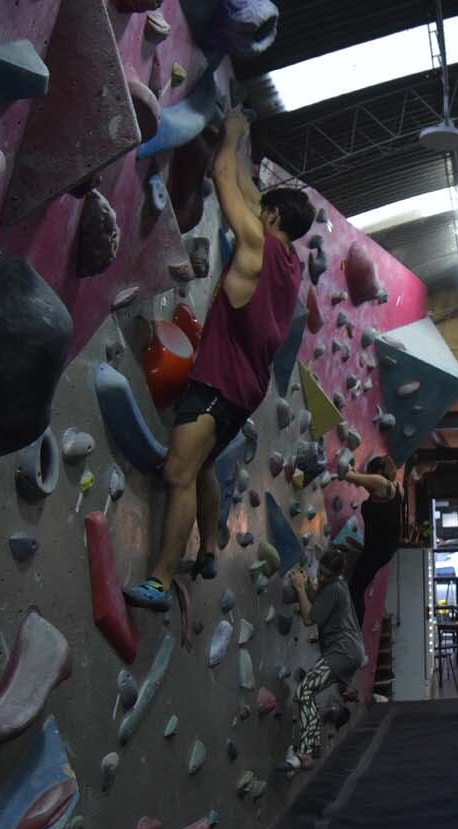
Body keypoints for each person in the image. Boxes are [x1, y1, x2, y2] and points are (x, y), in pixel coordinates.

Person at [124, 110, 314, 611]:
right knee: (206, 462)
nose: (257, 213)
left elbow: (224, 179)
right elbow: (256, 202)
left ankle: (160, 581)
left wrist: (229, 135)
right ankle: (209, 546)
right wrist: (257, 180)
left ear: (269, 220)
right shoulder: (290, 263)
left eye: (263, 211)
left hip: (216, 385)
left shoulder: (255, 246)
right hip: (243, 393)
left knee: (178, 473)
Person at [286, 547, 366, 771]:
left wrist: (300, 588)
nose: (321, 578)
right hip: (350, 651)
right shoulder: (338, 586)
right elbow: (319, 603)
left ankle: (306, 750)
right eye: (320, 572)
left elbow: (310, 618)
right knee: (306, 692)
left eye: (326, 576)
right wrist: (309, 586)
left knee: (304, 692)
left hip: (342, 651)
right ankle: (308, 748)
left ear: (337, 575)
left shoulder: (334, 588)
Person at [344, 455, 402, 624]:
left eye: (371, 473)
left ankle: (354, 633)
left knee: (355, 589)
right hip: (383, 547)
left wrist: (344, 463)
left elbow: (348, 476)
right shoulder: (397, 488)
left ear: (377, 472)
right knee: (357, 587)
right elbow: (361, 482)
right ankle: (353, 631)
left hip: (378, 549)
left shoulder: (380, 483)